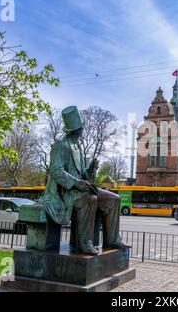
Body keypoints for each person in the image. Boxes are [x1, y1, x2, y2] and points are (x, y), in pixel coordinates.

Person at [39, 106, 130, 255]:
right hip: (66, 192)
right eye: (80, 128)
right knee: (90, 199)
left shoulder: (79, 147)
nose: (82, 130)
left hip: (80, 188)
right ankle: (84, 243)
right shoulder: (60, 145)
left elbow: (82, 175)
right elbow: (56, 170)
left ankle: (112, 239)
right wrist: (75, 182)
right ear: (74, 129)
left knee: (114, 199)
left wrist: (91, 170)